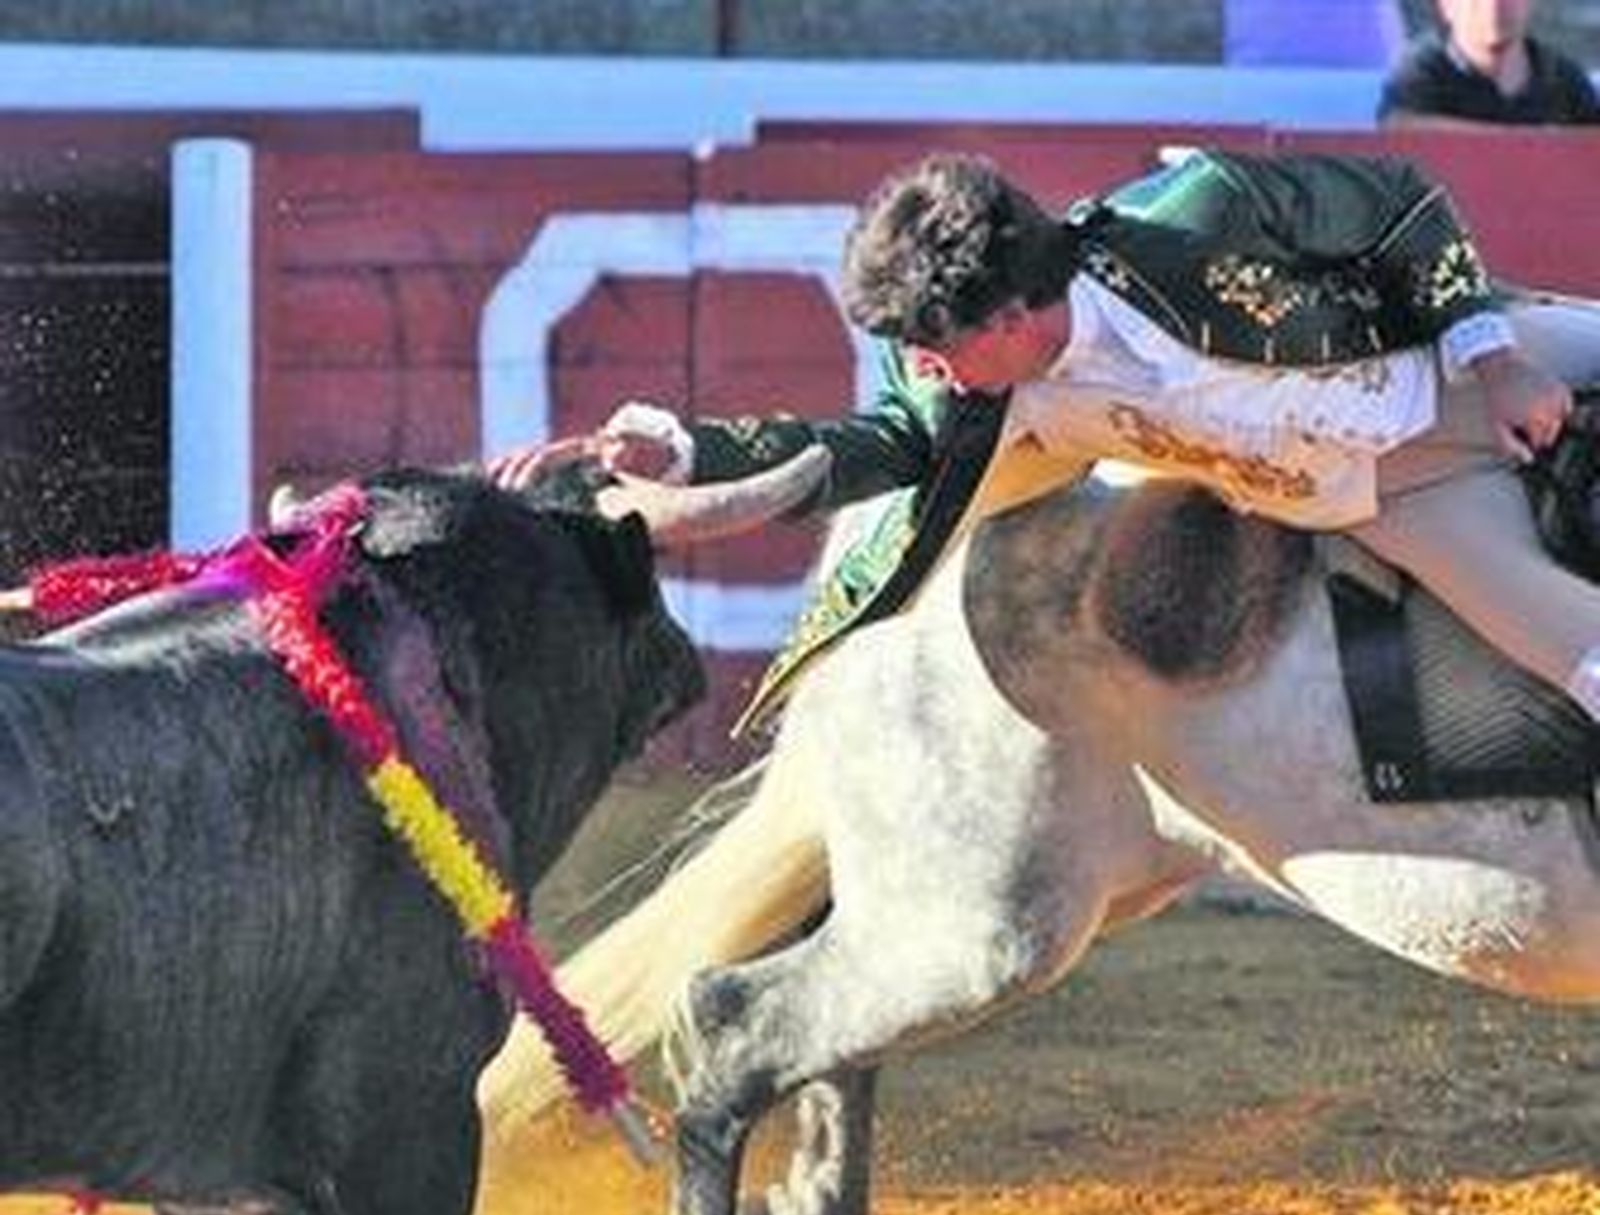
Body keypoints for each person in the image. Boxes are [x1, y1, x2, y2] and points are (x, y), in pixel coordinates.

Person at [493, 147, 1600, 728]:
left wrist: (1496, 360)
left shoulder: (1195, 213)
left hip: (1462, 367)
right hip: (1384, 498)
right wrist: (679, 451)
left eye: (935, 349)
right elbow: (864, 445)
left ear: (1013, 319)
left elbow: (1402, 205)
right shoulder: (980, 387)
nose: (922, 372)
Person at [1379, 0, 1600, 126]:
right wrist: (1531, 144)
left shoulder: (1563, 78)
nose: (1494, 7)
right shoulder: (1421, 70)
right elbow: (1401, 128)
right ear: (1446, 6)